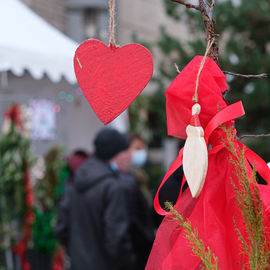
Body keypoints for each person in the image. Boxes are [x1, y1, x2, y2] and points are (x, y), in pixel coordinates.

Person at [55, 128, 136, 270]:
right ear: (114, 154)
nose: (130, 156)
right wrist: (130, 263)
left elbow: (61, 228)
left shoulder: (74, 182)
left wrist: (75, 253)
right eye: (125, 151)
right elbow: (116, 239)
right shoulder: (113, 187)